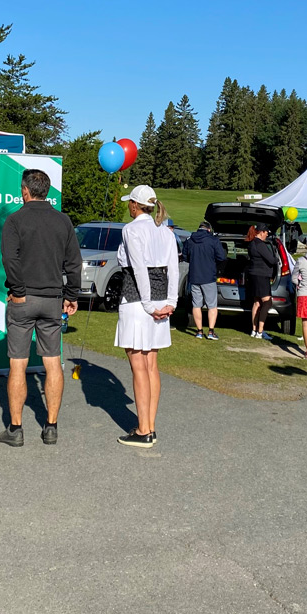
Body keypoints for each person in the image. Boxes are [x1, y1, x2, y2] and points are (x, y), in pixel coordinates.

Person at [0, 169, 82, 446]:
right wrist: (71, 294)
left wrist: (18, 292)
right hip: (52, 299)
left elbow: (10, 260)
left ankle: (16, 429)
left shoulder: (15, 220)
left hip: (24, 299)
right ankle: (51, 426)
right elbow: (73, 262)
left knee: (18, 365)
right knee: (53, 362)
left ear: (25, 190)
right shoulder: (63, 221)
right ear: (47, 191)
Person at [114, 184, 178, 447]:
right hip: (160, 299)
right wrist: (171, 302)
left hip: (138, 301)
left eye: (129, 202)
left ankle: (143, 429)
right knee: (151, 365)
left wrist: (150, 305)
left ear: (134, 205)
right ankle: (149, 426)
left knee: (139, 366)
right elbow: (172, 269)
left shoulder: (131, 229)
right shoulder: (165, 231)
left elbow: (139, 269)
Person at [183, 220, 226, 340]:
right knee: (212, 305)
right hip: (208, 277)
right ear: (208, 229)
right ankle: (211, 332)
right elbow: (221, 257)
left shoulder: (190, 240)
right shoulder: (213, 240)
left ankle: (199, 331)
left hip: (194, 276)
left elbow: (185, 256)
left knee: (196, 305)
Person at [246, 223, 279, 340]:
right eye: (266, 233)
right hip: (262, 276)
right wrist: (277, 259)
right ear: (261, 232)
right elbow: (271, 259)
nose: (266, 235)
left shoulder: (251, 244)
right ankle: (260, 331)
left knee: (257, 302)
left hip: (253, 275)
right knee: (267, 302)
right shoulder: (260, 245)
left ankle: (254, 330)